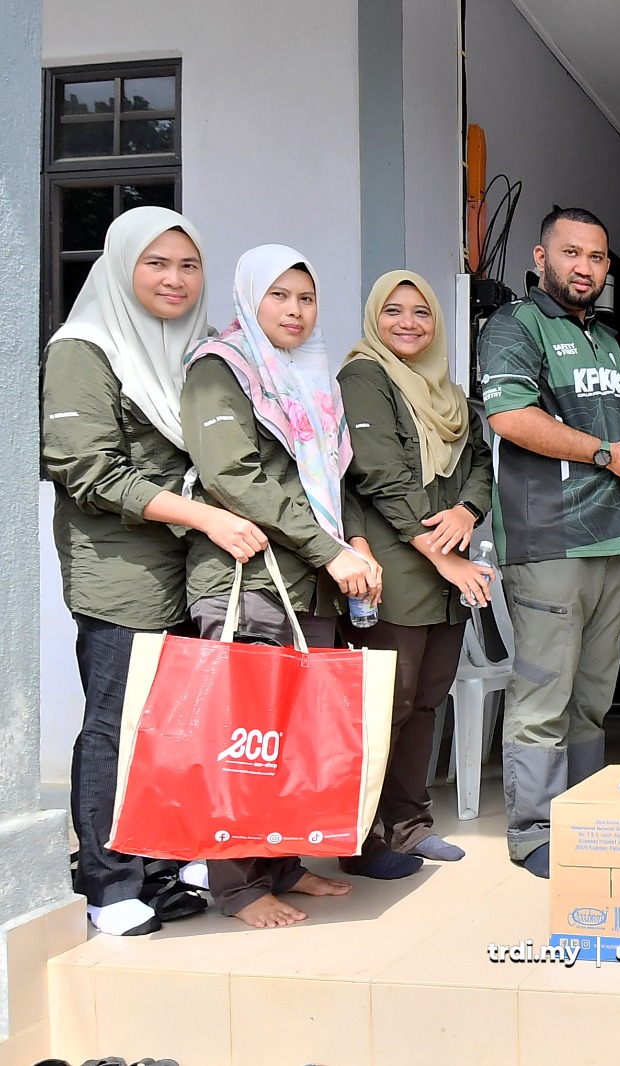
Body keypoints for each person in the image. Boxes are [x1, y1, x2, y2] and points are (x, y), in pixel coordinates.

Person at [43, 207, 268, 936]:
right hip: (121, 572)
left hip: (194, 570)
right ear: (121, 267)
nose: (174, 280)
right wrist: (204, 515)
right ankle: (108, 883)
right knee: (116, 728)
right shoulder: (86, 347)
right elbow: (87, 470)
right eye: (157, 264)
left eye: (188, 266)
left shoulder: (196, 349)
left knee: (176, 731)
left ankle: (164, 872)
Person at [182, 245, 382, 927]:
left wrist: (354, 542)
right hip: (250, 580)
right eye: (279, 297)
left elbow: (327, 477)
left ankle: (284, 864)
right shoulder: (221, 370)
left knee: (289, 740)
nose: (295, 311)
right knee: (246, 743)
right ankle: (236, 887)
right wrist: (330, 548)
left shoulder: (308, 376)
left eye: (306, 298)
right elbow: (235, 476)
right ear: (249, 299)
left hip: (310, 583)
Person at [477, 207, 620, 878]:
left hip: (612, 541)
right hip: (549, 538)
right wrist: (611, 454)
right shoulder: (514, 326)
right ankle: (533, 833)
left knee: (592, 696)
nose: (584, 267)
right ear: (541, 256)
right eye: (571, 253)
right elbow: (509, 416)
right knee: (543, 697)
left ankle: (582, 817)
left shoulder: (608, 342)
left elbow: (613, 444)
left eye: (597, 256)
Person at [338, 270, 493, 872]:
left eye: (422, 312)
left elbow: (479, 459)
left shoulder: (450, 394)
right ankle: (361, 837)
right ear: (374, 318)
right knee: (387, 703)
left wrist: (467, 509)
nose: (409, 323)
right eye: (394, 311)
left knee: (427, 699)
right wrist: (444, 554)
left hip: (444, 561)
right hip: (395, 560)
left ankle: (409, 823)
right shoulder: (364, 375)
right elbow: (378, 472)